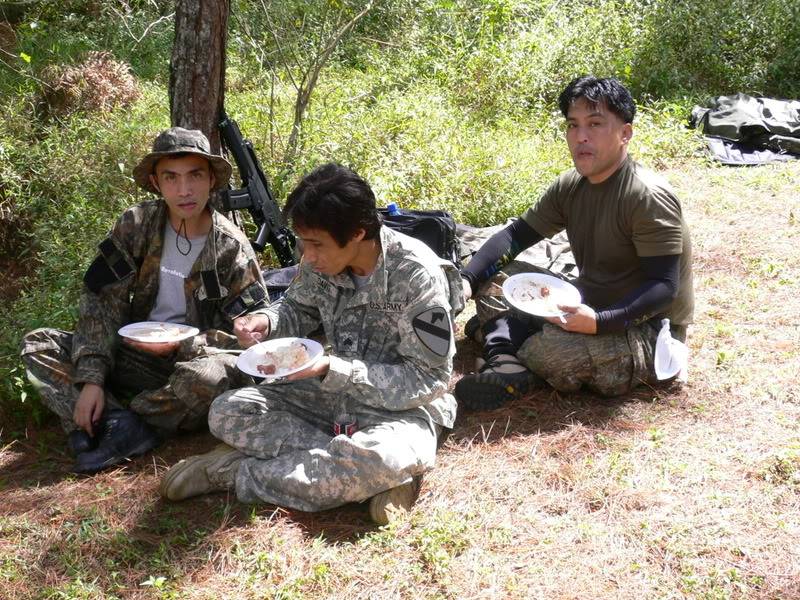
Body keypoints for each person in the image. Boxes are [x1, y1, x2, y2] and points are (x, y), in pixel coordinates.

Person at [159, 163, 463, 525]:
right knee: (228, 410)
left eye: (316, 244)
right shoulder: (319, 262)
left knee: (385, 457)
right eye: (304, 242)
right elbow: (296, 307)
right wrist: (266, 321)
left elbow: (429, 379)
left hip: (401, 410)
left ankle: (232, 473)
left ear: (357, 233)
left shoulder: (417, 275)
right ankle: (362, 475)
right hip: (328, 396)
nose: (309, 255)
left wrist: (333, 369)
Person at [20, 127, 268, 473]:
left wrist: (192, 343)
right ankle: (119, 421)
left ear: (211, 179)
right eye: (171, 178)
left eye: (195, 175)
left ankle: (115, 422)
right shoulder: (135, 225)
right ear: (156, 182)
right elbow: (100, 302)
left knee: (210, 377)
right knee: (39, 346)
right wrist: (92, 377)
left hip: (188, 368)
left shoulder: (231, 247)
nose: (184, 190)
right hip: (133, 356)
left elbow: (250, 330)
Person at [455, 75, 694, 410]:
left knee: (549, 352)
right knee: (497, 280)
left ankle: (504, 346)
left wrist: (597, 323)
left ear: (625, 133)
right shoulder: (572, 185)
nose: (581, 137)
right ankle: (508, 357)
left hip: (646, 326)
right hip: (585, 299)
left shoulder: (646, 196)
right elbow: (515, 236)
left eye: (595, 124)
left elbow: (664, 287)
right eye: (573, 125)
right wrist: (466, 282)